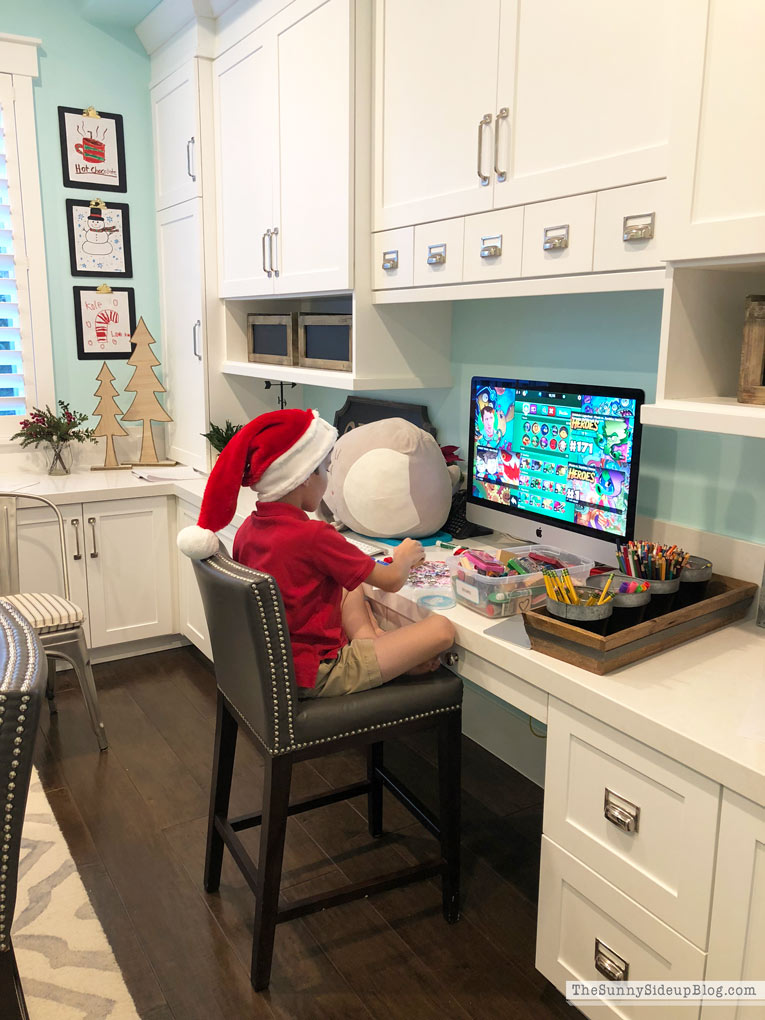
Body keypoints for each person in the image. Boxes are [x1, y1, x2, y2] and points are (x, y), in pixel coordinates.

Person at [177, 408, 456, 699]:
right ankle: (377, 656)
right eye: (325, 469)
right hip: (317, 672)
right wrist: (405, 555)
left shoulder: (249, 527)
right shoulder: (314, 536)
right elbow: (391, 581)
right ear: (304, 477)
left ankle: (374, 645)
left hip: (278, 667)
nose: (328, 480)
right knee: (442, 629)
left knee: (350, 584)